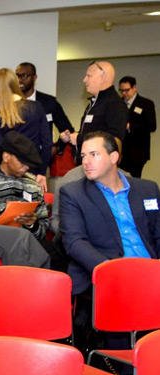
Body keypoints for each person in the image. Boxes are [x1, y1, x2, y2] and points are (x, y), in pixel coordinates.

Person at [59, 131, 160, 353]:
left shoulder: (147, 189)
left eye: (93, 154)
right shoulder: (74, 193)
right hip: (108, 275)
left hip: (151, 274)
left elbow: (157, 233)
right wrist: (113, 271)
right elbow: (75, 242)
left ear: (114, 157)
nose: (85, 161)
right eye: (83, 155)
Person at [0, 68, 51, 192]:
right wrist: (42, 172)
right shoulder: (36, 107)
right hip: (33, 172)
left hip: (8, 175)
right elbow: (47, 143)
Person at [16, 62, 76, 173]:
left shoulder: (49, 102)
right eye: (17, 76)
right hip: (15, 162)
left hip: (41, 162)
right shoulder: (11, 102)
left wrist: (56, 148)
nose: (20, 80)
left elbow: (67, 128)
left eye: (24, 76)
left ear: (34, 78)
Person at [76, 60, 127, 163]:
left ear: (103, 78)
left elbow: (113, 142)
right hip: (88, 165)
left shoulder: (115, 104)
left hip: (100, 168)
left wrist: (79, 138)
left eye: (89, 76)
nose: (84, 80)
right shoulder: (95, 103)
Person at [117, 76, 156, 178]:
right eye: (121, 91)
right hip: (120, 151)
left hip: (138, 151)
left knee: (134, 180)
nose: (124, 93)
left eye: (127, 90)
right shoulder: (118, 104)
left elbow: (152, 126)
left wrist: (130, 126)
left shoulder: (146, 104)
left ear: (134, 87)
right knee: (120, 178)